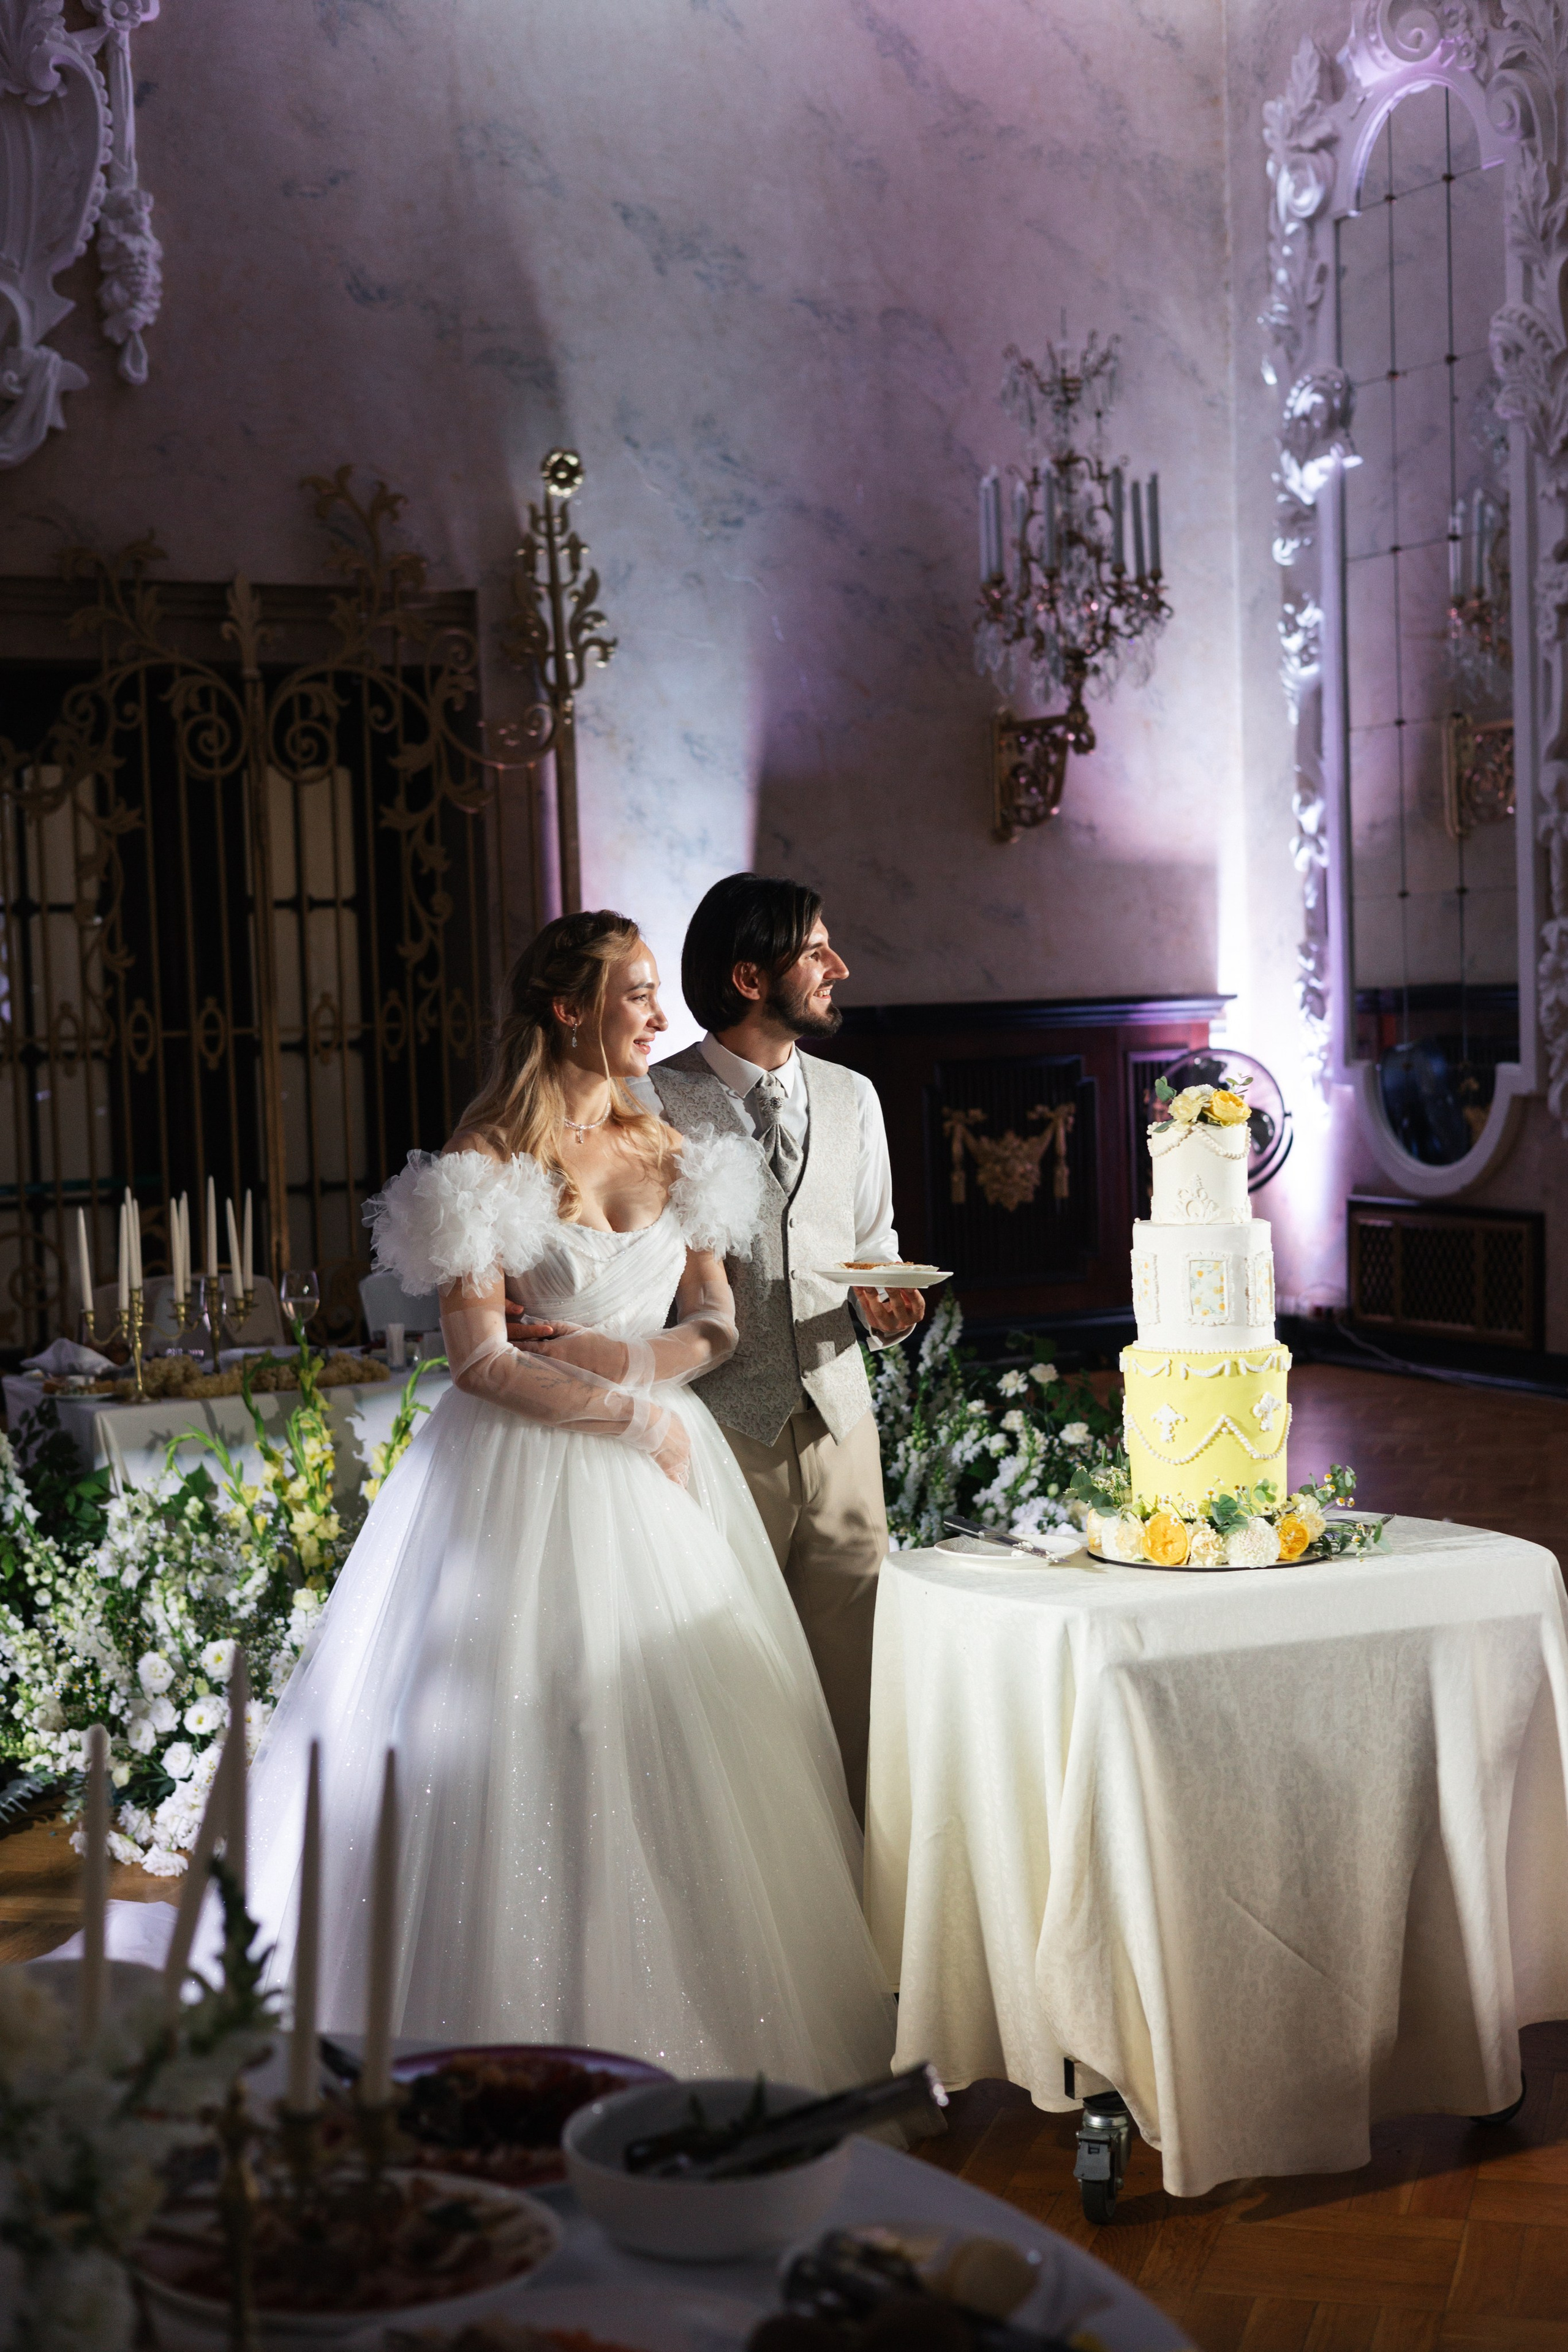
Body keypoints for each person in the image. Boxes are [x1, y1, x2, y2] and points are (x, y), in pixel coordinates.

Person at [243, 910, 894, 2088]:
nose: (659, 1014)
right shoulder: (487, 1162)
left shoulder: (677, 1150)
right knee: (530, 1739)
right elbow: (479, 1360)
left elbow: (717, 1325)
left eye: (656, 992)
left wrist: (633, 1370)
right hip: (520, 1479)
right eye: (636, 993)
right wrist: (626, 1413)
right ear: (568, 1009)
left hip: (663, 1480)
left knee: (679, 1736)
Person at [636, 874, 922, 1823]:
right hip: (720, 1432)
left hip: (841, 1426)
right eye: (816, 952)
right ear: (750, 977)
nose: (839, 968)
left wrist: (884, 1297)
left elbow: (868, 1241)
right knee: (729, 1674)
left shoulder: (855, 1096)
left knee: (858, 1679)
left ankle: (862, 1921)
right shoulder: (653, 1102)